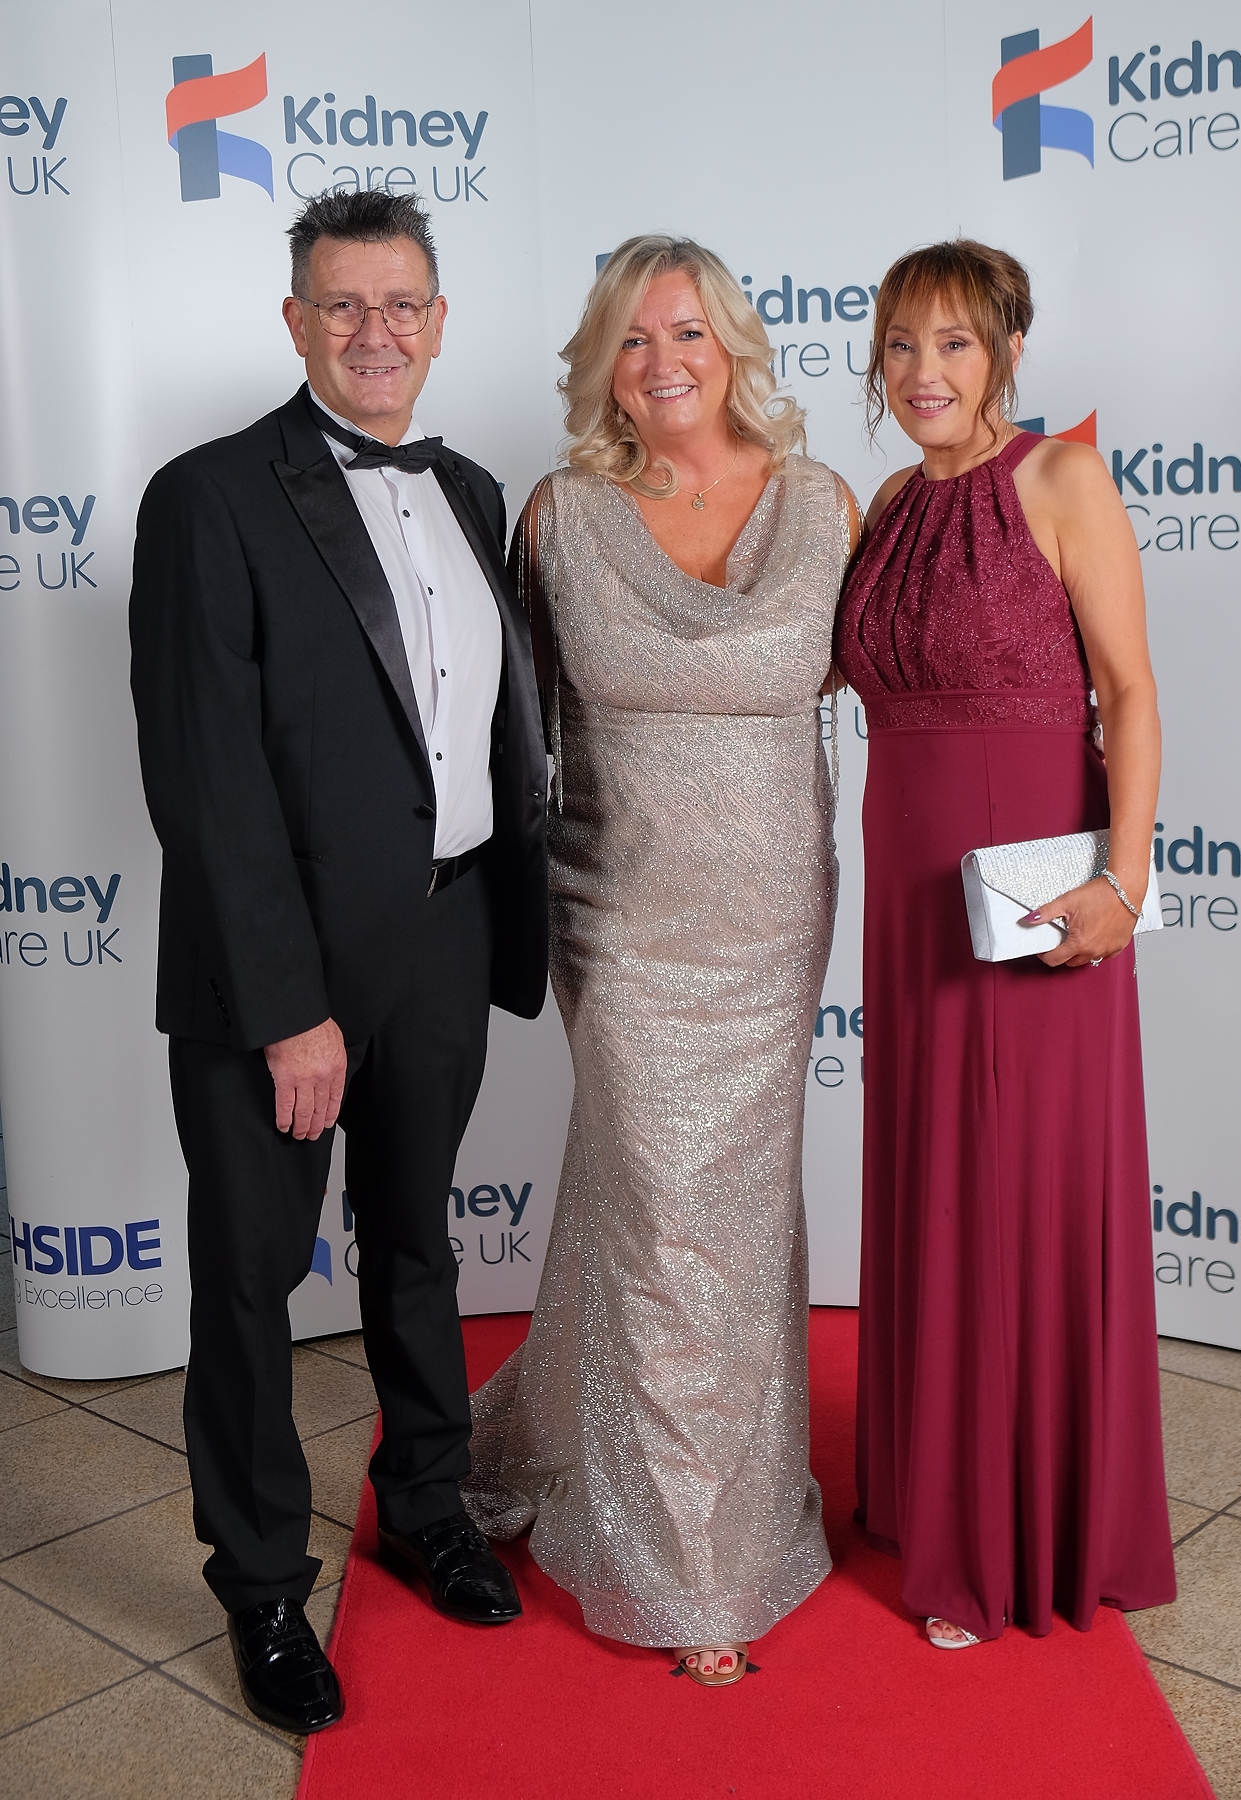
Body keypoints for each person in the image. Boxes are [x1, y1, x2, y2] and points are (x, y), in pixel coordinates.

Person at [128, 189, 547, 1733]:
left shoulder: (478, 490)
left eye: (403, 305)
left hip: (445, 932)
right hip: (281, 973)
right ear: (295, 321)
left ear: (438, 321)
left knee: (421, 1243)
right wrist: (288, 1004)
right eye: (343, 306)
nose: (376, 333)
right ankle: (259, 1588)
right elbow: (206, 779)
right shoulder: (210, 496)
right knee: (248, 1282)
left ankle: (426, 1504)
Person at [461, 236, 859, 1686]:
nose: (660, 361)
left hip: (768, 919)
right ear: (601, 365)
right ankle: (689, 1567)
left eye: (682, 331)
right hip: (618, 919)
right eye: (630, 340)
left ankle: (655, 1483)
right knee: (661, 1205)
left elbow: (917, 674)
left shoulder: (825, 504)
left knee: (723, 1214)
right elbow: (511, 733)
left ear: (730, 341)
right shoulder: (559, 518)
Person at [834, 239, 1175, 1648]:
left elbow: (1130, 694)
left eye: (954, 344)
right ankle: (932, 1493)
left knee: (1019, 1187)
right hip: (912, 884)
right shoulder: (884, 504)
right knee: (936, 1184)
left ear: (1008, 352)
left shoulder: (1060, 479)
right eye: (901, 345)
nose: (923, 372)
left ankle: (1017, 1535)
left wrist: (1121, 876)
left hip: (1040, 893)